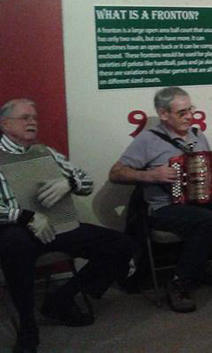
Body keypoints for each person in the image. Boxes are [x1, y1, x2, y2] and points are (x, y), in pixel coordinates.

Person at [109, 87, 212, 313]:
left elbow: (210, 173)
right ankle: (179, 281)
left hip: (202, 203)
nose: (190, 116)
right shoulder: (147, 140)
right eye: (182, 112)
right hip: (165, 208)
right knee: (210, 221)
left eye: (190, 110)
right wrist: (150, 175)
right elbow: (116, 173)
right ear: (164, 114)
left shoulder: (197, 135)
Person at [0, 99, 134, 353]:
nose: (32, 122)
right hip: (18, 230)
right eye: (25, 117)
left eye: (34, 118)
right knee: (13, 245)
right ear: (5, 124)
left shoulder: (46, 152)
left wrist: (69, 182)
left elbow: (86, 182)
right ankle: (28, 329)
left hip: (57, 225)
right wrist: (24, 216)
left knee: (122, 245)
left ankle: (60, 299)